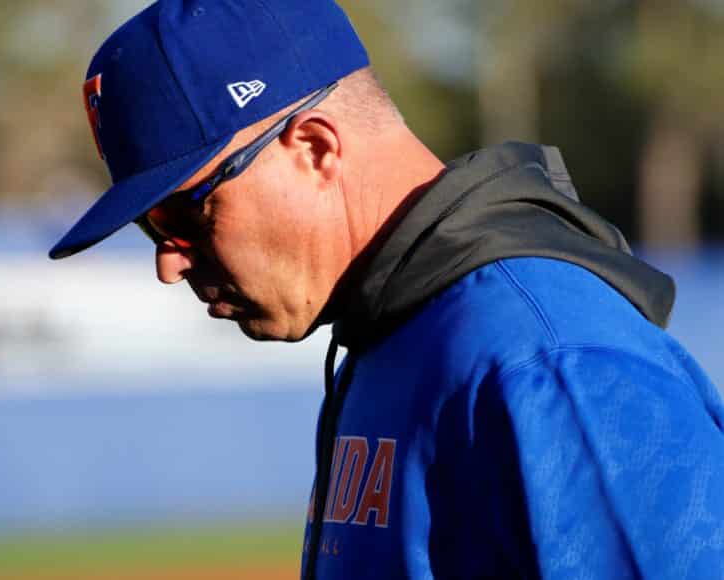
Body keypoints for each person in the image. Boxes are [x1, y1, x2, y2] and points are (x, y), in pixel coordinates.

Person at [49, 1, 724, 578]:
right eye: (148, 226)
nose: (169, 263)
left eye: (183, 213)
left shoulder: (548, 361)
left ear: (315, 148)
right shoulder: (392, 330)